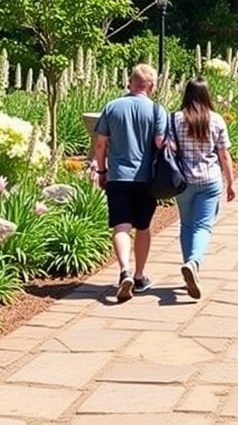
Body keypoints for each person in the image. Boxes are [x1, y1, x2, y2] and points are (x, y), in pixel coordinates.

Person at [94, 64, 167, 302]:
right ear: (152, 86)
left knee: (121, 226)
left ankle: (124, 269)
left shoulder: (112, 107)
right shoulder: (157, 110)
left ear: (129, 82)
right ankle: (139, 276)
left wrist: (102, 170)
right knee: (143, 227)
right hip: (145, 179)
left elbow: (100, 144)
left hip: (118, 177)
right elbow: (159, 143)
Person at [170, 77, 235, 299]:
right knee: (203, 226)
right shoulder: (216, 120)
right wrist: (231, 182)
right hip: (209, 180)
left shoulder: (176, 119)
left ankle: (190, 265)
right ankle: (194, 262)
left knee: (187, 225)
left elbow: (170, 149)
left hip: (183, 181)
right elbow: (224, 154)